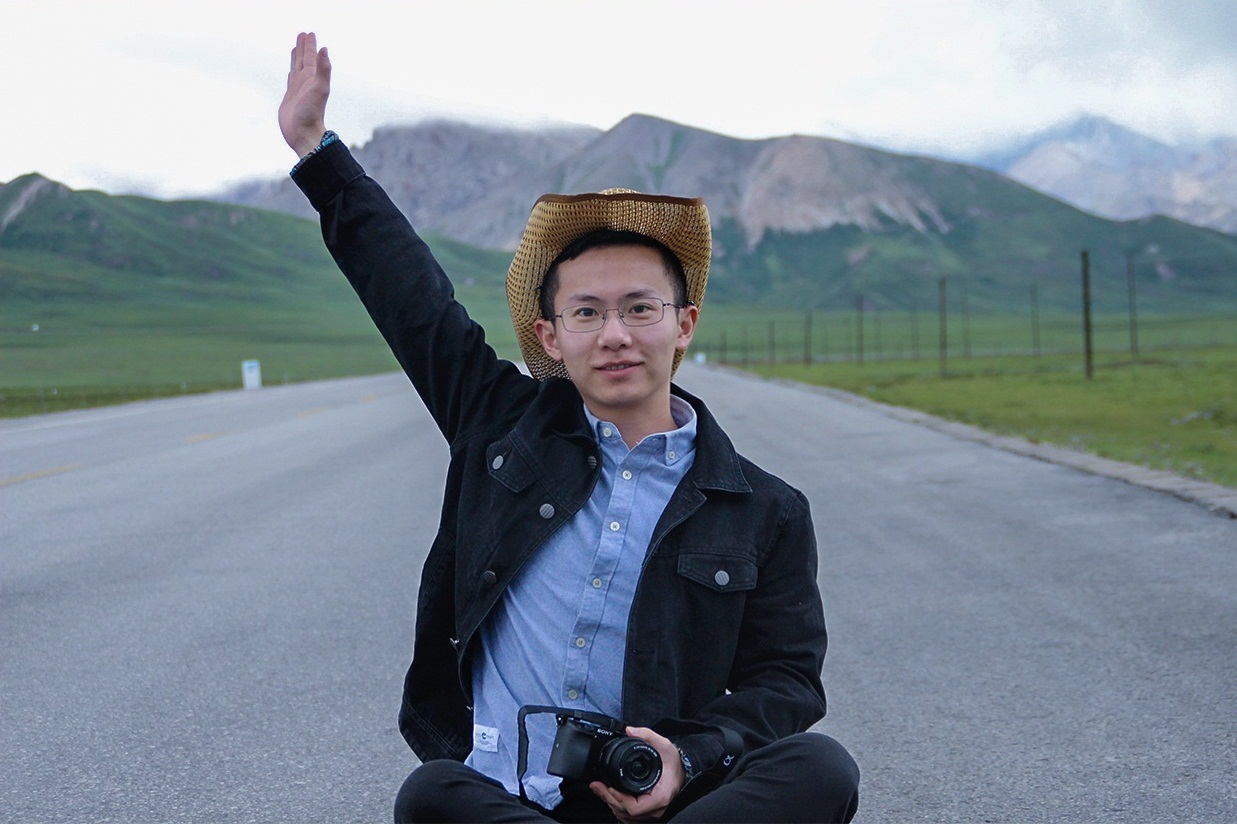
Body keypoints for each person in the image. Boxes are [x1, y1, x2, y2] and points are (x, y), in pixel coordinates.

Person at [279, 31, 859, 823]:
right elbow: (411, 298)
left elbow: (787, 683)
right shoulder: (499, 427)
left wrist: (683, 757)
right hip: (511, 800)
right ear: (550, 336)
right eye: (586, 313)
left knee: (819, 767)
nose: (614, 334)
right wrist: (317, 151)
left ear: (683, 324)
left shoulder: (765, 508)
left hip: (666, 803)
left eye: (639, 308)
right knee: (432, 793)